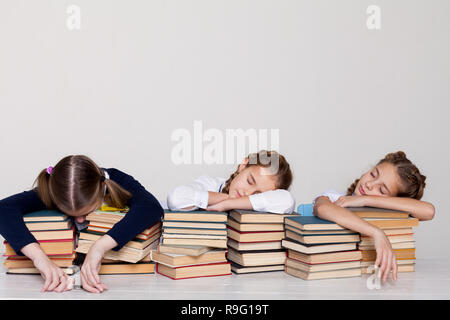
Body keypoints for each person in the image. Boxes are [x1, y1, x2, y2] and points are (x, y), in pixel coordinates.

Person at [0, 155, 163, 293]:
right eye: (71, 215)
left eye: (86, 212)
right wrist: (39, 258)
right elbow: (3, 209)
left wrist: (99, 247)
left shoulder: (116, 180)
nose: (80, 221)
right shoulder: (55, 190)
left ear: (101, 188)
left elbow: (151, 207)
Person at [313, 151, 435, 283]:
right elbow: (322, 208)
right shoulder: (335, 198)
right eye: (373, 174)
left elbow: (429, 211)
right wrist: (376, 233)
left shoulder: (388, 212)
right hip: (331, 273)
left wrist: (366, 200)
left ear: (394, 200)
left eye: (382, 190)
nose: (370, 184)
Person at [167, 150, 295, 214]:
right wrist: (226, 199)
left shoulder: (268, 203)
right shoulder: (210, 184)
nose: (247, 193)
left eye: (257, 194)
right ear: (243, 166)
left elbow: (287, 200)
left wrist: (228, 204)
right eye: (250, 181)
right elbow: (176, 198)